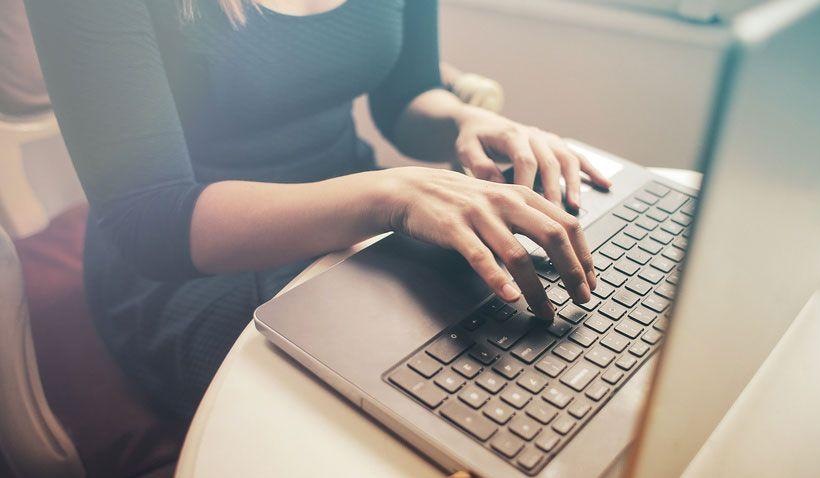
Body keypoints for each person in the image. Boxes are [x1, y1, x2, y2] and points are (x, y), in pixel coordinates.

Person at [24, 0, 611, 419]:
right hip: (196, 264)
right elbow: (149, 220)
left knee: (509, 365)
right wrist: (392, 195)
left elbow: (405, 96)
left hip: (358, 205)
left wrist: (469, 122)